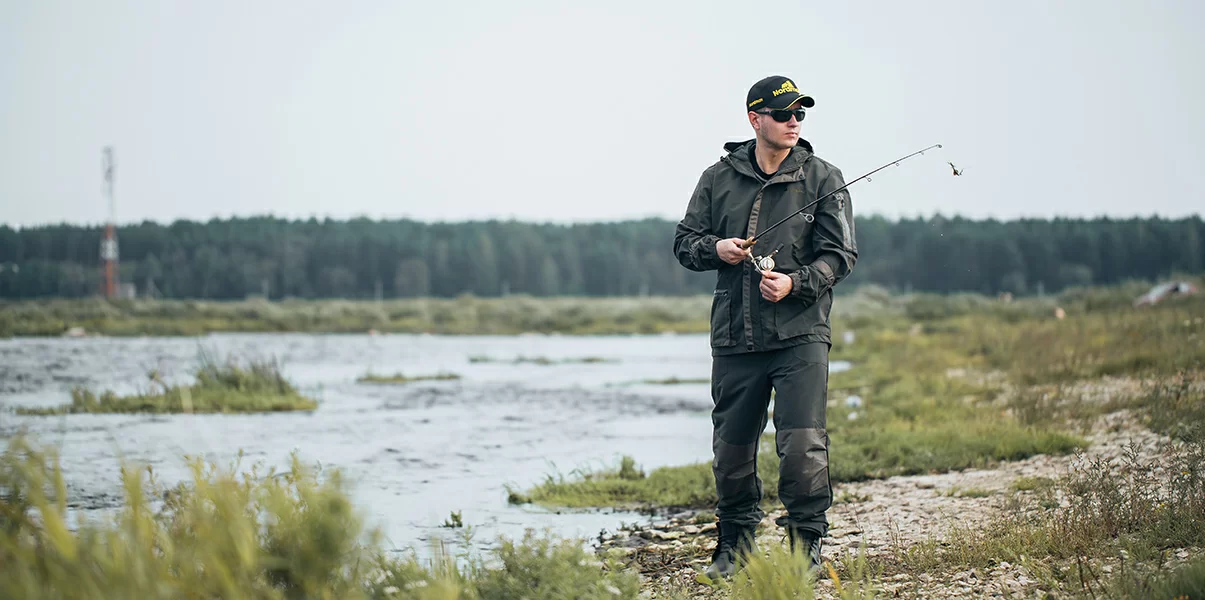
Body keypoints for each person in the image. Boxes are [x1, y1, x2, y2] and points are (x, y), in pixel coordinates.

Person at [673, 75, 858, 579]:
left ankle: (805, 549)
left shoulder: (824, 177)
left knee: (801, 447)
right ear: (756, 119)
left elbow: (840, 255)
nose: (794, 121)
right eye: (783, 113)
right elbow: (685, 242)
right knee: (731, 450)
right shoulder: (716, 178)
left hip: (800, 335)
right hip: (735, 337)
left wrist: (796, 283)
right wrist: (716, 249)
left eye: (800, 113)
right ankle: (734, 546)